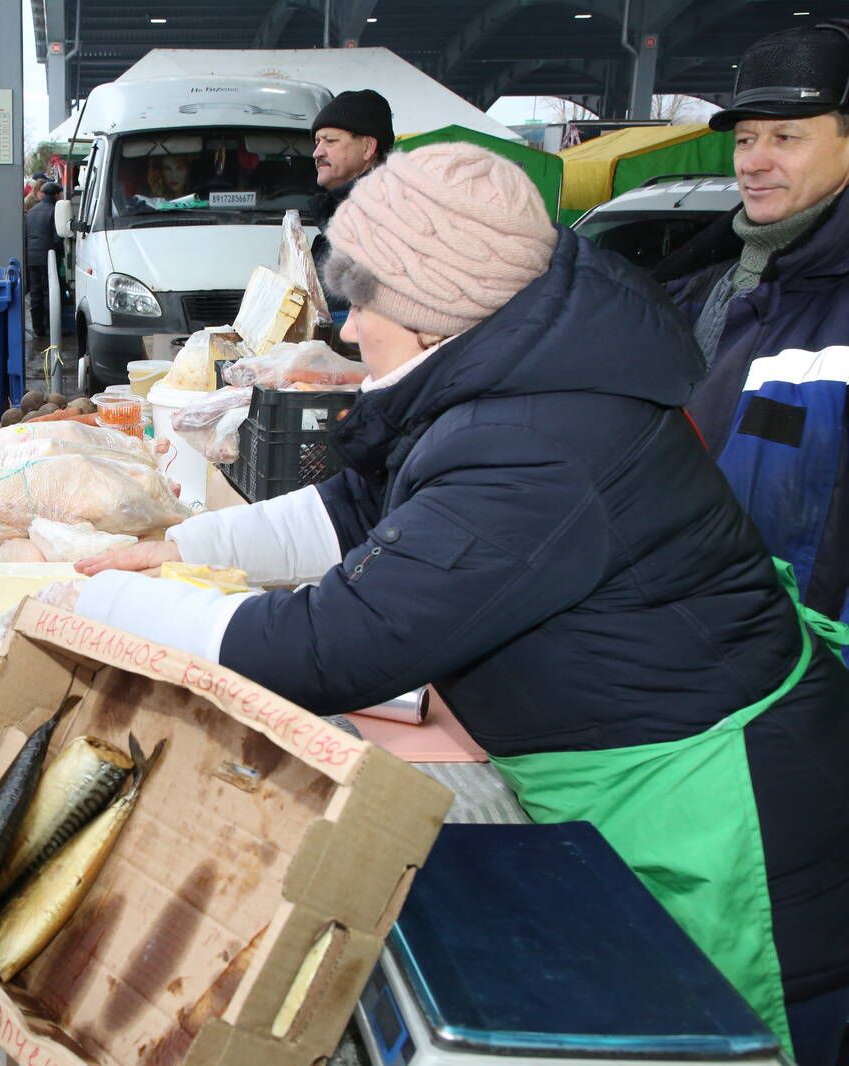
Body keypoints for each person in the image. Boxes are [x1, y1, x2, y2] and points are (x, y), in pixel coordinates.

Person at [68, 144, 849, 1064]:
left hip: (721, 817)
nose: (350, 332)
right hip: (627, 759)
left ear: (441, 309)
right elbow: (362, 506)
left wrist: (94, 607)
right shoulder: (505, 373)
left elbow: (335, 648)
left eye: (365, 304)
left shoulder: (541, 440)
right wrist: (176, 551)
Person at [655, 20, 849, 660]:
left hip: (812, 678)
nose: (754, 160)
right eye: (745, 138)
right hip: (702, 653)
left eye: (787, 136)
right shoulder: (697, 287)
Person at [309, 88, 394, 235]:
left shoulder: (387, 219)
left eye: (330, 141)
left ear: (367, 147)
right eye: (317, 143)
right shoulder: (343, 215)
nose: (316, 153)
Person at [25, 181, 63, 339]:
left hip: (32, 257)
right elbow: (57, 237)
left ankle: (37, 328)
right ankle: (50, 329)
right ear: (54, 195)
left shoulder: (31, 211)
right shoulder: (54, 211)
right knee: (50, 293)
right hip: (49, 257)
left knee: (35, 293)